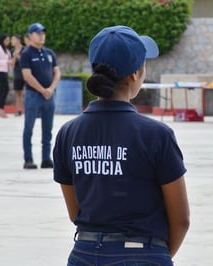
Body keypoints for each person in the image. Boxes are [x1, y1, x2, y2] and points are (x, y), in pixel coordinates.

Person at [53, 25, 190, 265]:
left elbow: (76, 212)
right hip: (141, 253)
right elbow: (181, 220)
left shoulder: (68, 133)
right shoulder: (157, 135)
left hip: (84, 254)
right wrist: (154, 257)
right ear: (135, 74)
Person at [20, 22, 60, 169]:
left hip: (49, 96)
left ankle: (46, 158)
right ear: (30, 36)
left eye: (43, 33)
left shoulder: (49, 53)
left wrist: (51, 88)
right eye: (38, 33)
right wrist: (43, 90)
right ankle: (28, 159)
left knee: (47, 129)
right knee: (29, 127)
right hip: (33, 95)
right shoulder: (26, 54)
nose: (42, 36)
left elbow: (57, 72)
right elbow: (27, 75)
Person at [0, 34, 12, 118]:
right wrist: (7, 62)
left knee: (3, 89)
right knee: (5, 88)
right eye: (6, 40)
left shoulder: (7, 50)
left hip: (5, 71)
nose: (8, 42)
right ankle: (0, 108)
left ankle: (0, 108)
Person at [10, 34, 26, 116]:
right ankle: (19, 110)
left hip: (25, 73)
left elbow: (25, 61)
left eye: (13, 39)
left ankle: (26, 109)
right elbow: (12, 63)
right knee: (18, 92)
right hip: (17, 73)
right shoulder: (12, 50)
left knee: (25, 92)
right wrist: (14, 57)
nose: (11, 41)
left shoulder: (25, 50)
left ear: (18, 40)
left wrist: (18, 56)